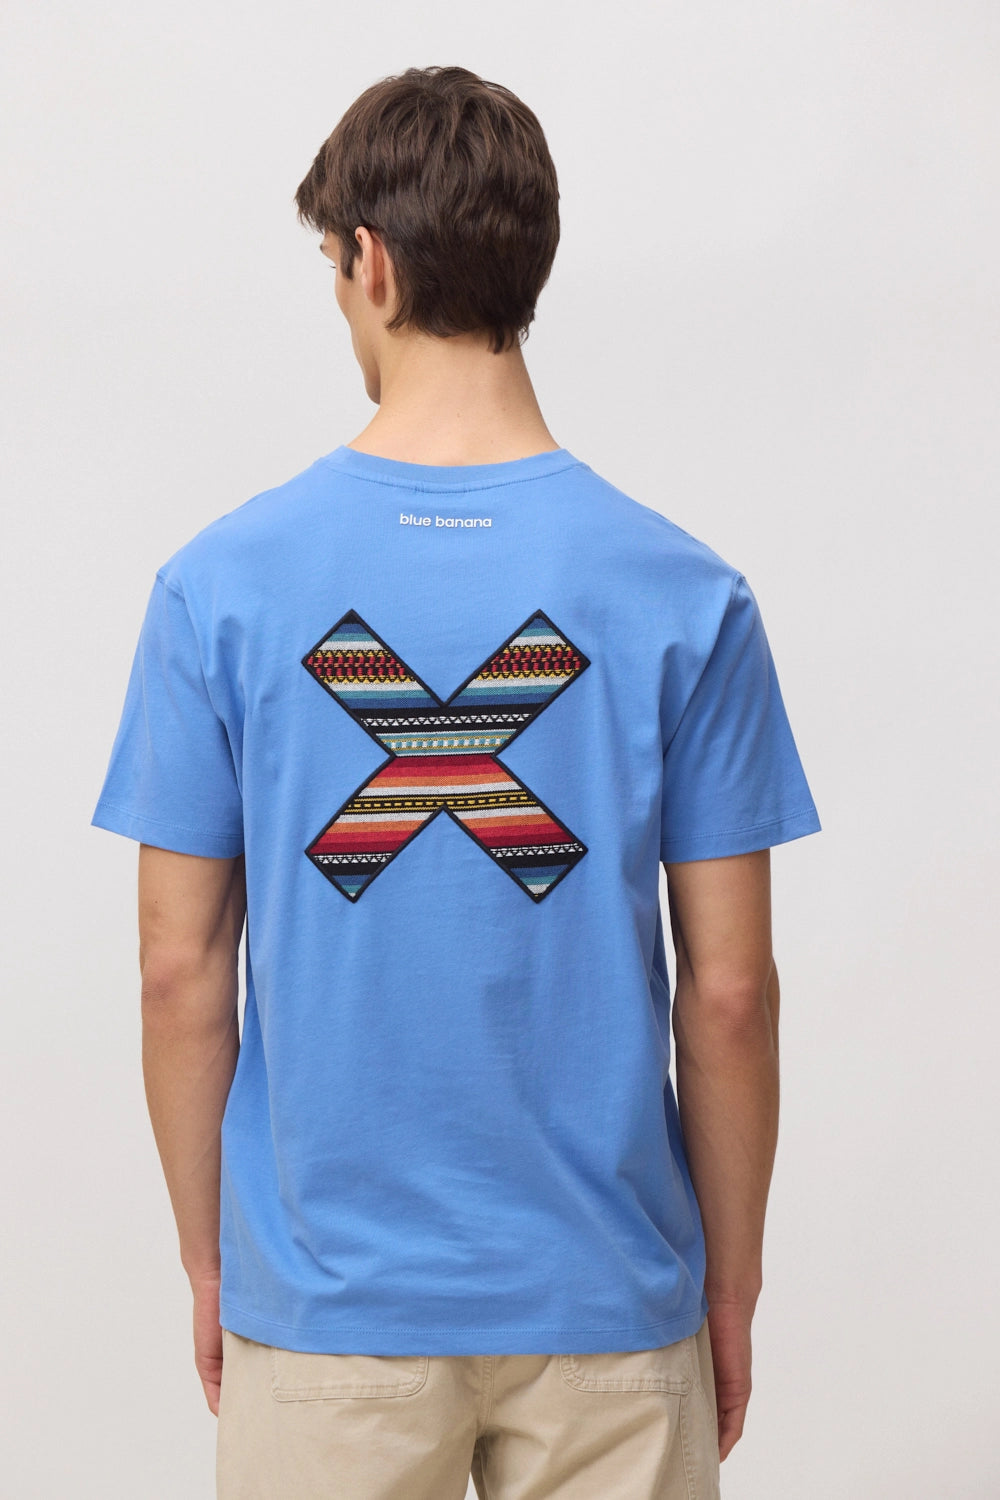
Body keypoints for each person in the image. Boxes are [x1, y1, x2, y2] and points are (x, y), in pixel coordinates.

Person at [90, 64, 821, 1500]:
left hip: (328, 1302)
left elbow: (178, 974)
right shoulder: (685, 593)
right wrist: (728, 1286)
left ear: (369, 263)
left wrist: (213, 1261)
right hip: (612, 1299)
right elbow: (731, 993)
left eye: (330, 267)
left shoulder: (218, 588)